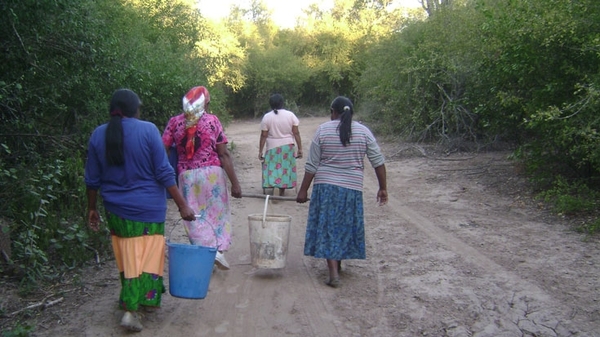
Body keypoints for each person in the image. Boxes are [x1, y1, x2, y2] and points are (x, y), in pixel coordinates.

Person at [85, 89, 195, 332]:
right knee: (147, 255)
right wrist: (182, 205)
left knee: (128, 256)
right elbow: (164, 172)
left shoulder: (98, 134)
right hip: (148, 209)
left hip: (115, 210)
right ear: (135, 109)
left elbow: (92, 179)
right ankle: (132, 308)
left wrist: (92, 208)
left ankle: (141, 298)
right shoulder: (147, 130)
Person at [296, 96, 388, 288]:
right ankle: (337, 265)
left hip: (326, 187)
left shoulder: (323, 130)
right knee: (343, 225)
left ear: (333, 112)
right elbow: (378, 161)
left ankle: (333, 272)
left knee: (328, 226)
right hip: (351, 189)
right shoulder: (364, 132)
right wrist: (383, 188)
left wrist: (303, 190)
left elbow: (312, 165)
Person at [162, 86, 242, 271]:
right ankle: (216, 251)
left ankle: (207, 253)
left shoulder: (174, 123)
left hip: (187, 177)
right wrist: (235, 184)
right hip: (212, 175)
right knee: (217, 214)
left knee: (194, 216)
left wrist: (162, 175)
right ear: (205, 103)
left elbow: (162, 149)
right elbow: (223, 155)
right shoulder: (213, 121)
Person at [258, 94, 303, 196]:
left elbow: (264, 135)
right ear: (282, 103)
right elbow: (296, 133)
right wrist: (300, 148)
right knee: (285, 167)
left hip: (272, 147)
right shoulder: (290, 115)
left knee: (273, 167)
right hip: (288, 146)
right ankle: (282, 187)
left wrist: (260, 151)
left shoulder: (267, 117)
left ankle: (274, 185)